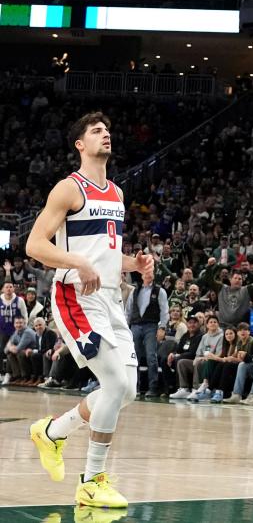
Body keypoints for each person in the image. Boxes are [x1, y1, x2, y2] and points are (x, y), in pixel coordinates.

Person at [26, 112, 154, 508]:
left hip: (112, 297)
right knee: (114, 385)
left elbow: (106, 254)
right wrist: (76, 262)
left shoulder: (115, 193)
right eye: (97, 131)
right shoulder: (68, 189)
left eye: (108, 130)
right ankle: (92, 480)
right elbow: (34, 245)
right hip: (75, 296)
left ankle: (52, 432)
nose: (106, 135)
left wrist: (134, 263)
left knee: (127, 391)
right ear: (80, 144)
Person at [125, 270, 168, 398]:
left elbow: (164, 310)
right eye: (146, 273)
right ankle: (134, 387)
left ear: (153, 275)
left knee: (151, 357)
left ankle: (153, 388)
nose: (148, 275)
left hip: (152, 326)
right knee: (133, 357)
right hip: (135, 325)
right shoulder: (135, 290)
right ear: (142, 275)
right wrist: (125, 327)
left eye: (150, 273)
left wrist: (162, 327)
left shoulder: (159, 291)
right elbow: (128, 309)